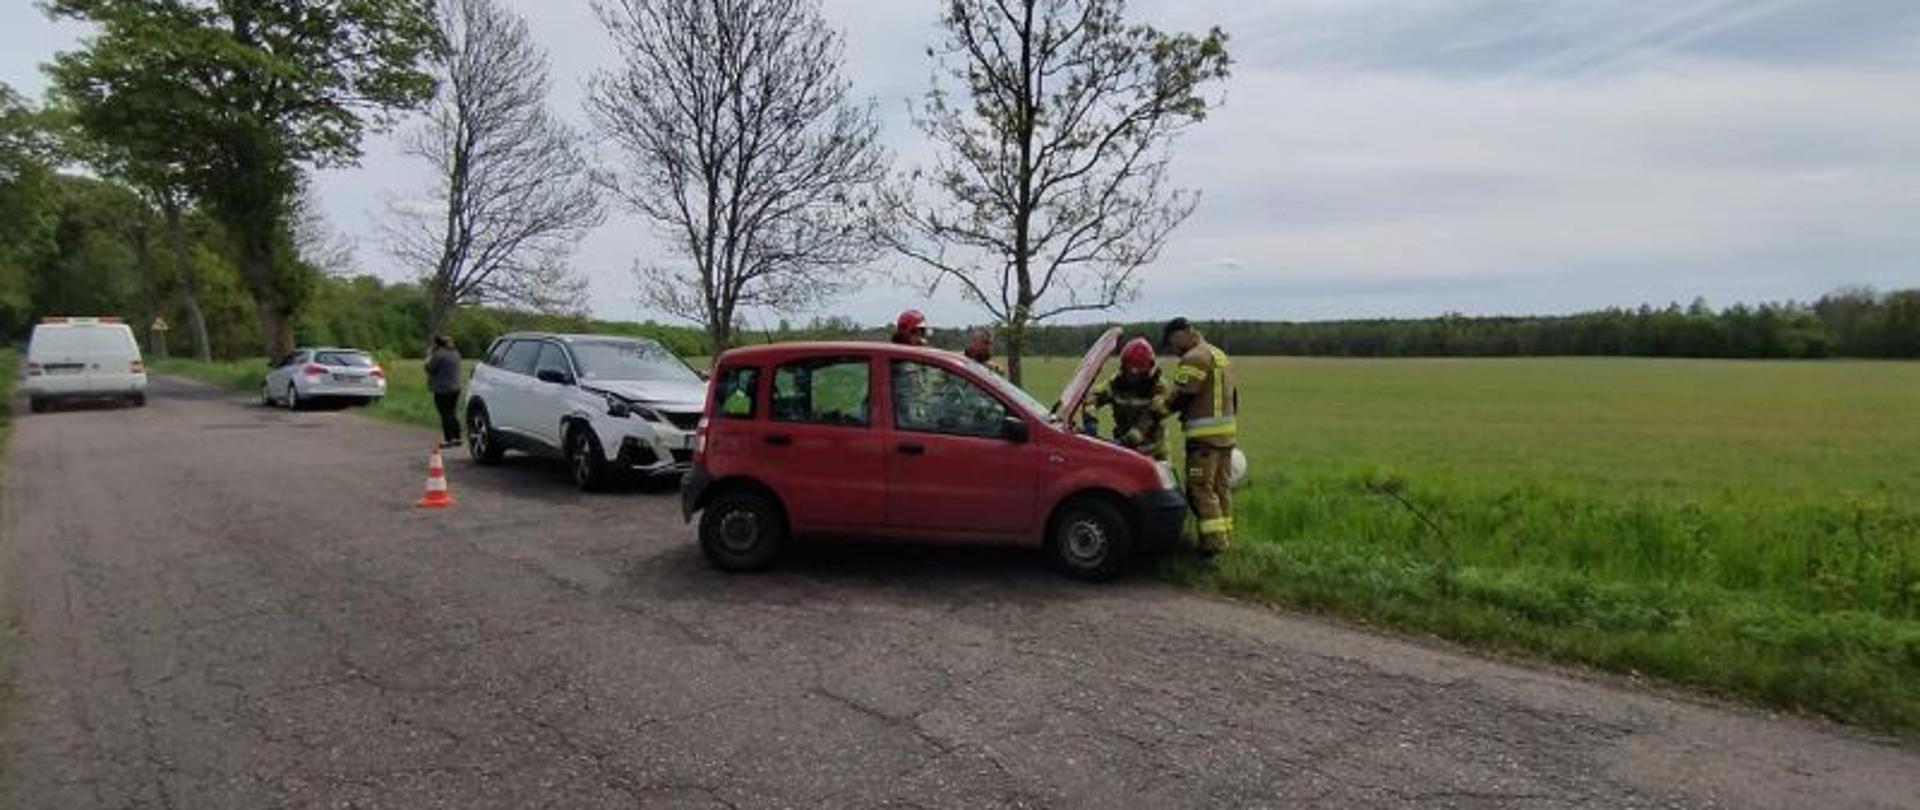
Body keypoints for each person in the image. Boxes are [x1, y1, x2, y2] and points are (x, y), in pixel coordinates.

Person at [1163, 317, 1238, 557]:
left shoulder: (1194, 357)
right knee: (1220, 488)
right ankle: (1225, 539)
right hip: (1226, 437)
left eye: (1172, 342)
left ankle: (1212, 547)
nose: (1173, 349)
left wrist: (1157, 413)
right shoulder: (1218, 354)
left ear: (1183, 333)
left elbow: (1183, 395)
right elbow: (1234, 396)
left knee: (1200, 490)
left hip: (1203, 440)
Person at [1086, 337, 1171, 459]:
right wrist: (1090, 419)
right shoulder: (1115, 384)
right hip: (1125, 452)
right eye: (1130, 369)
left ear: (1150, 367)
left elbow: (1151, 418)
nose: (1134, 374)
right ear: (1123, 366)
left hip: (1154, 454)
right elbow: (1093, 396)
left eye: (1139, 369)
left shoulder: (1159, 388)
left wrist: (1127, 441)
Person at [425, 335, 463, 448]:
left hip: (442, 389)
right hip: (455, 388)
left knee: (445, 414)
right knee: (452, 413)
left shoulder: (439, 355)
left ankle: (448, 439)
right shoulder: (455, 353)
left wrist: (429, 355)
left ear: (438, 344)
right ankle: (457, 437)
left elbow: (429, 368)